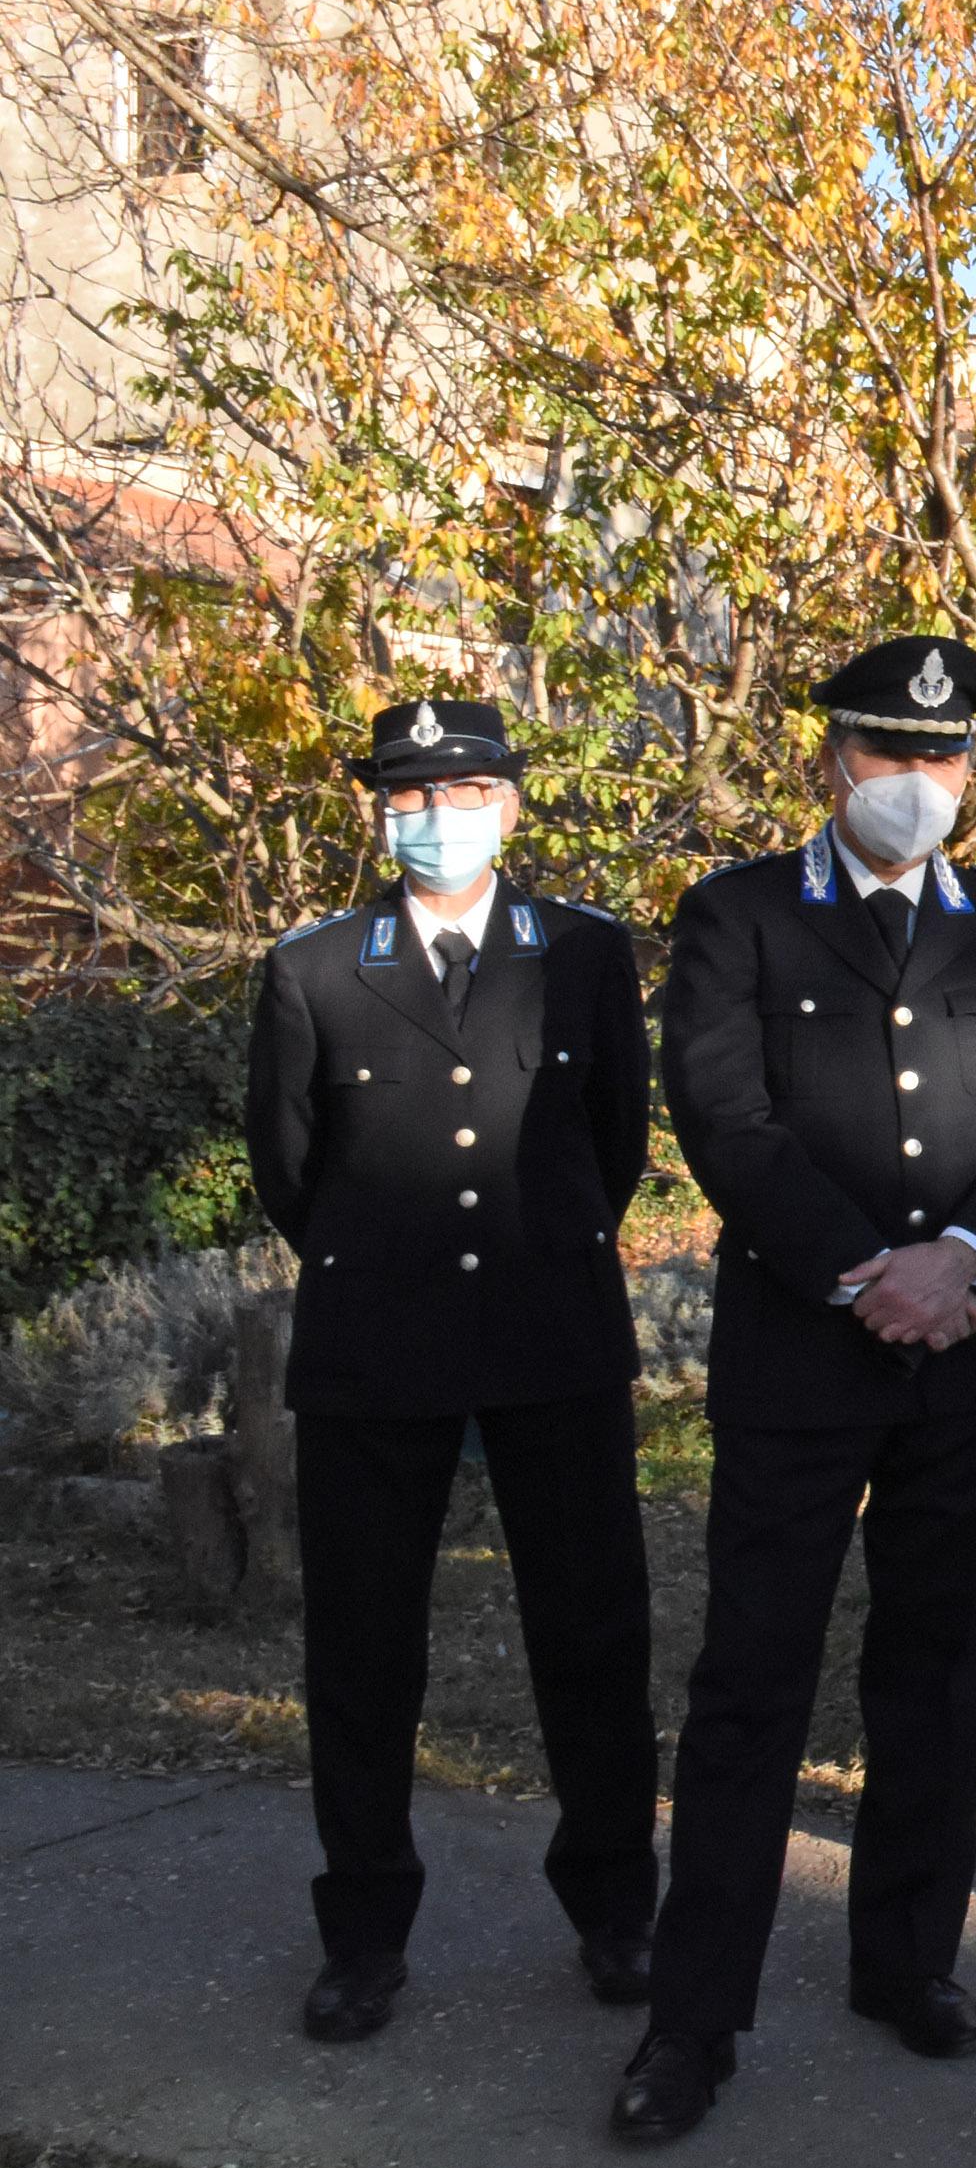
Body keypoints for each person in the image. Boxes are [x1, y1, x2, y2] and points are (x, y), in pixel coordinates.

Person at [613, 634, 976, 2145]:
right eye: (886, 752)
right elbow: (724, 1115)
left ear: (970, 771)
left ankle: (906, 1962)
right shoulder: (741, 912)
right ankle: (693, 2019)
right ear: (832, 759)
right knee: (751, 1688)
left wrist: (958, 1256)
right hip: (803, 1357)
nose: (913, 781)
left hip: (965, 1357)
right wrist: (865, 1271)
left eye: (940, 758)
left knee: (938, 1679)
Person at [242, 697, 659, 2045]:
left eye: (467, 787)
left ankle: (616, 1910)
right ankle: (363, 1933)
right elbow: (290, 1169)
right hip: (376, 1344)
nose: (437, 812)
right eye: (411, 791)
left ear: (512, 803)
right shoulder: (312, 968)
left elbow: (613, 1143)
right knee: (364, 1651)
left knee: (592, 1635)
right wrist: (395, 1256)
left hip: (552, 1333)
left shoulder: (585, 956)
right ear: (380, 810)